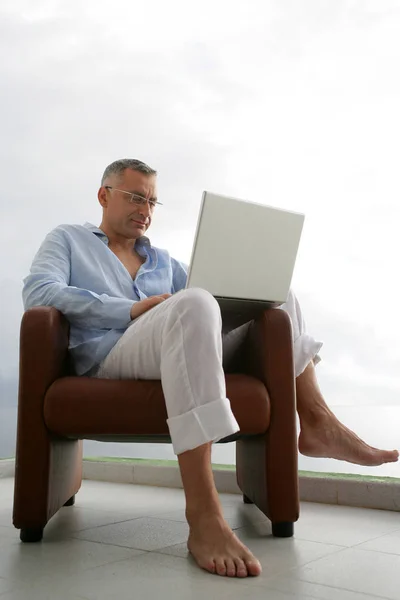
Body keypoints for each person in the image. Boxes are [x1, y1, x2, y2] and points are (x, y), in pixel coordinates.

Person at [23, 158, 399, 579]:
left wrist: (240, 290)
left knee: (274, 292)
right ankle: (203, 513)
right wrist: (129, 309)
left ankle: (315, 421)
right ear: (104, 195)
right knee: (195, 301)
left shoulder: (164, 261)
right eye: (134, 197)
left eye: (151, 200)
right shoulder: (70, 239)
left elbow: (203, 308)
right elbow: (40, 291)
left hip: (176, 346)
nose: (145, 208)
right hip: (109, 355)